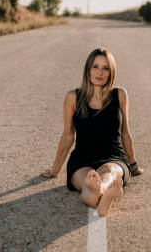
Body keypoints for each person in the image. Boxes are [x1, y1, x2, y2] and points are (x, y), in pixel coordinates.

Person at [40, 48, 144, 216]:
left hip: (114, 157)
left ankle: (102, 189)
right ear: (88, 69)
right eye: (95, 66)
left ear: (111, 72)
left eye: (105, 68)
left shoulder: (120, 95)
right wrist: (55, 170)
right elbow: (68, 136)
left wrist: (133, 165)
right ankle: (106, 196)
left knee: (109, 173)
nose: (100, 72)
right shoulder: (73, 97)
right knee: (88, 186)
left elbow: (125, 133)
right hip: (81, 160)